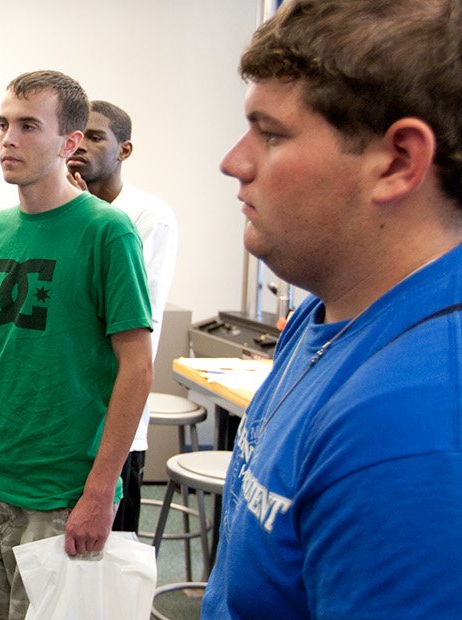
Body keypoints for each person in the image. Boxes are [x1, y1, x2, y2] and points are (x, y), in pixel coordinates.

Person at [203, 0, 462, 617]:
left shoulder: (415, 423)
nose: (234, 161)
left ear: (397, 162)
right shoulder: (326, 311)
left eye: (271, 133)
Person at [0, 70, 153, 620]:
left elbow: (137, 368)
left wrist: (100, 492)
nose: (8, 139)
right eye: (3, 124)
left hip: (60, 496)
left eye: (28, 126)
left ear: (69, 142)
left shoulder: (108, 232)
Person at [66, 99, 179, 533]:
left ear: (124, 150)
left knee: (106, 551)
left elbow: (127, 309)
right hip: (65, 412)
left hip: (115, 418)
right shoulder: (57, 209)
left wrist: (86, 215)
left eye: (96, 137)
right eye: (78, 135)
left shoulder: (150, 216)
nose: (82, 145)